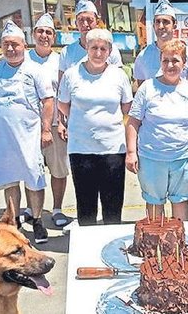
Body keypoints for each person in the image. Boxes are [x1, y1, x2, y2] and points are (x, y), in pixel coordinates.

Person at [0, 21, 54, 244]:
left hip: (29, 135)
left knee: (34, 178)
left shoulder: (35, 69)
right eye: (6, 45)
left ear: (24, 44)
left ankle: (38, 220)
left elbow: (48, 101)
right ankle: (14, 223)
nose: (11, 49)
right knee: (10, 181)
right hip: (4, 138)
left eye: (14, 44)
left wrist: (46, 129)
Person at [57, 28, 133, 226]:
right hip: (81, 150)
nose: (98, 53)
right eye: (94, 48)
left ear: (109, 50)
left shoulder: (119, 75)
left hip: (113, 151)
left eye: (103, 48)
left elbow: (126, 107)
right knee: (86, 208)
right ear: (87, 49)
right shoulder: (72, 74)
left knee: (113, 207)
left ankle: (112, 250)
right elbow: (63, 105)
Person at [126, 40, 188, 221]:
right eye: (165, 60)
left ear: (184, 63)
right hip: (152, 157)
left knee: (181, 201)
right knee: (154, 202)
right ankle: (155, 245)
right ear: (160, 62)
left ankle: (178, 243)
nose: (170, 65)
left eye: (175, 60)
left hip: (184, 158)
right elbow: (133, 122)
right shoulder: (147, 87)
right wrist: (131, 152)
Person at [26, 13, 74, 228]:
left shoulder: (59, 61)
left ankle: (56, 208)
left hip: (55, 125)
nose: (44, 36)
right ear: (33, 35)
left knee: (58, 169)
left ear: (54, 37)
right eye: (40, 32)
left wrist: (63, 122)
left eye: (48, 32)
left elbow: (65, 94)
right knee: (31, 169)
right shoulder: (24, 59)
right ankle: (31, 209)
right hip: (28, 126)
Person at [58, 0, 123, 82]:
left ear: (97, 22)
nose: (85, 24)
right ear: (75, 23)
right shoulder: (67, 52)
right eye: (81, 20)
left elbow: (120, 80)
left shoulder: (111, 49)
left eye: (90, 20)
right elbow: (62, 86)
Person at [133, 0, 188, 86]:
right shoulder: (143, 56)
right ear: (153, 25)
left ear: (174, 25)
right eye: (158, 22)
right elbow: (141, 87)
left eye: (166, 22)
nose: (161, 26)